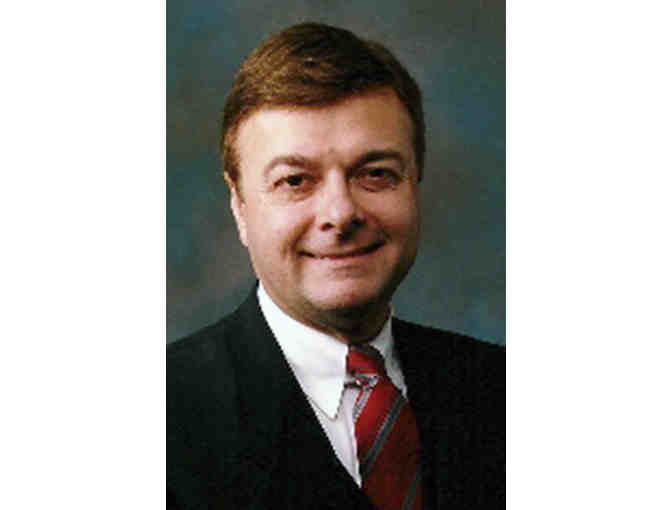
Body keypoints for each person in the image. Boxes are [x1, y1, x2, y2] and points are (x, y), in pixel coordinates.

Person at [167, 22, 504, 510]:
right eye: (295, 181)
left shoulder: (500, 389)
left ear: (415, 183)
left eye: (376, 174)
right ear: (239, 205)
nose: (341, 213)